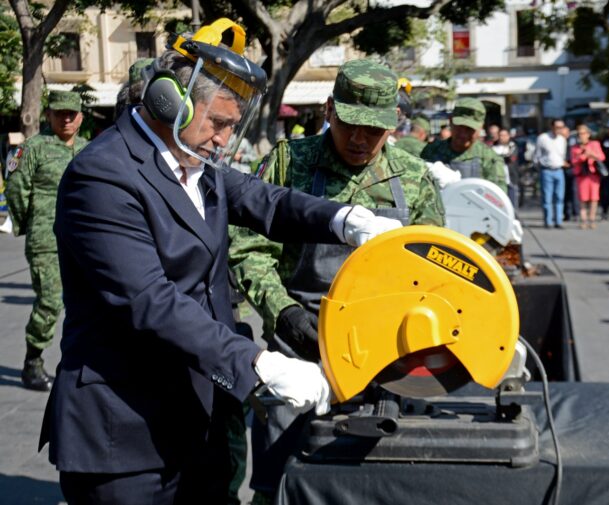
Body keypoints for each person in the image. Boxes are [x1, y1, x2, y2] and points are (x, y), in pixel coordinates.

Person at [39, 21, 401, 505]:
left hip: (196, 417)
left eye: (233, 125)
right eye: (219, 123)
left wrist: (346, 219)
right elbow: (151, 301)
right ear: (171, 101)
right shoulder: (103, 176)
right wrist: (259, 363)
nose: (225, 140)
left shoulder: (191, 159)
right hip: (124, 434)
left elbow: (266, 201)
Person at [231, 59, 444, 503]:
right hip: (298, 353)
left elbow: (435, 276)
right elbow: (247, 249)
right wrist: (283, 313)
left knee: (372, 485)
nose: (361, 139)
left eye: (375, 129)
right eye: (350, 125)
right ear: (329, 110)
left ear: (394, 124)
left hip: (386, 359)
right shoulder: (291, 164)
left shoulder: (415, 179)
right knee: (278, 483)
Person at [5, 91, 88, 391]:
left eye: (71, 114)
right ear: (49, 115)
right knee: (50, 302)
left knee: (88, 302)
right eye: (59, 113)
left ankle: (82, 363)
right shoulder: (33, 149)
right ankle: (32, 363)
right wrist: (30, 224)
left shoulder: (88, 149)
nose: (66, 119)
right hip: (47, 238)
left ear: (80, 117)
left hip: (84, 241)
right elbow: (16, 189)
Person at [421, 98, 507, 193]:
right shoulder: (432, 151)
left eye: (469, 129)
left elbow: (498, 199)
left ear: (480, 127)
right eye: (460, 127)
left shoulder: (489, 158)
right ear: (450, 122)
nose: (463, 134)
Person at [570, 125, 606, 229]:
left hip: (593, 175)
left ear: (588, 134)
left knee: (594, 198)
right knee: (582, 199)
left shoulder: (595, 144)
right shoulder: (575, 148)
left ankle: (592, 219)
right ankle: (583, 220)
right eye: (579, 134)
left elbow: (602, 157)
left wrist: (592, 154)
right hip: (581, 175)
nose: (581, 136)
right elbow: (574, 161)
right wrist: (583, 156)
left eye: (583, 133)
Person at [535, 119, 568, 228]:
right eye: (557, 127)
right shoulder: (543, 138)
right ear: (552, 127)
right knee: (547, 197)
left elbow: (563, 156)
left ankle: (558, 220)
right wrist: (539, 165)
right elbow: (537, 155)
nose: (559, 130)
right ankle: (548, 221)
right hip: (546, 170)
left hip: (559, 170)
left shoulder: (562, 140)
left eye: (561, 127)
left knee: (559, 197)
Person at [492, 128, 519, 207]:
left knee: (512, 204)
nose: (502, 137)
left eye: (505, 135)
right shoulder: (493, 147)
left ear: (508, 136)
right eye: (500, 135)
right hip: (497, 180)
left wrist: (498, 158)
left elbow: (511, 158)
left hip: (511, 178)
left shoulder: (512, 146)